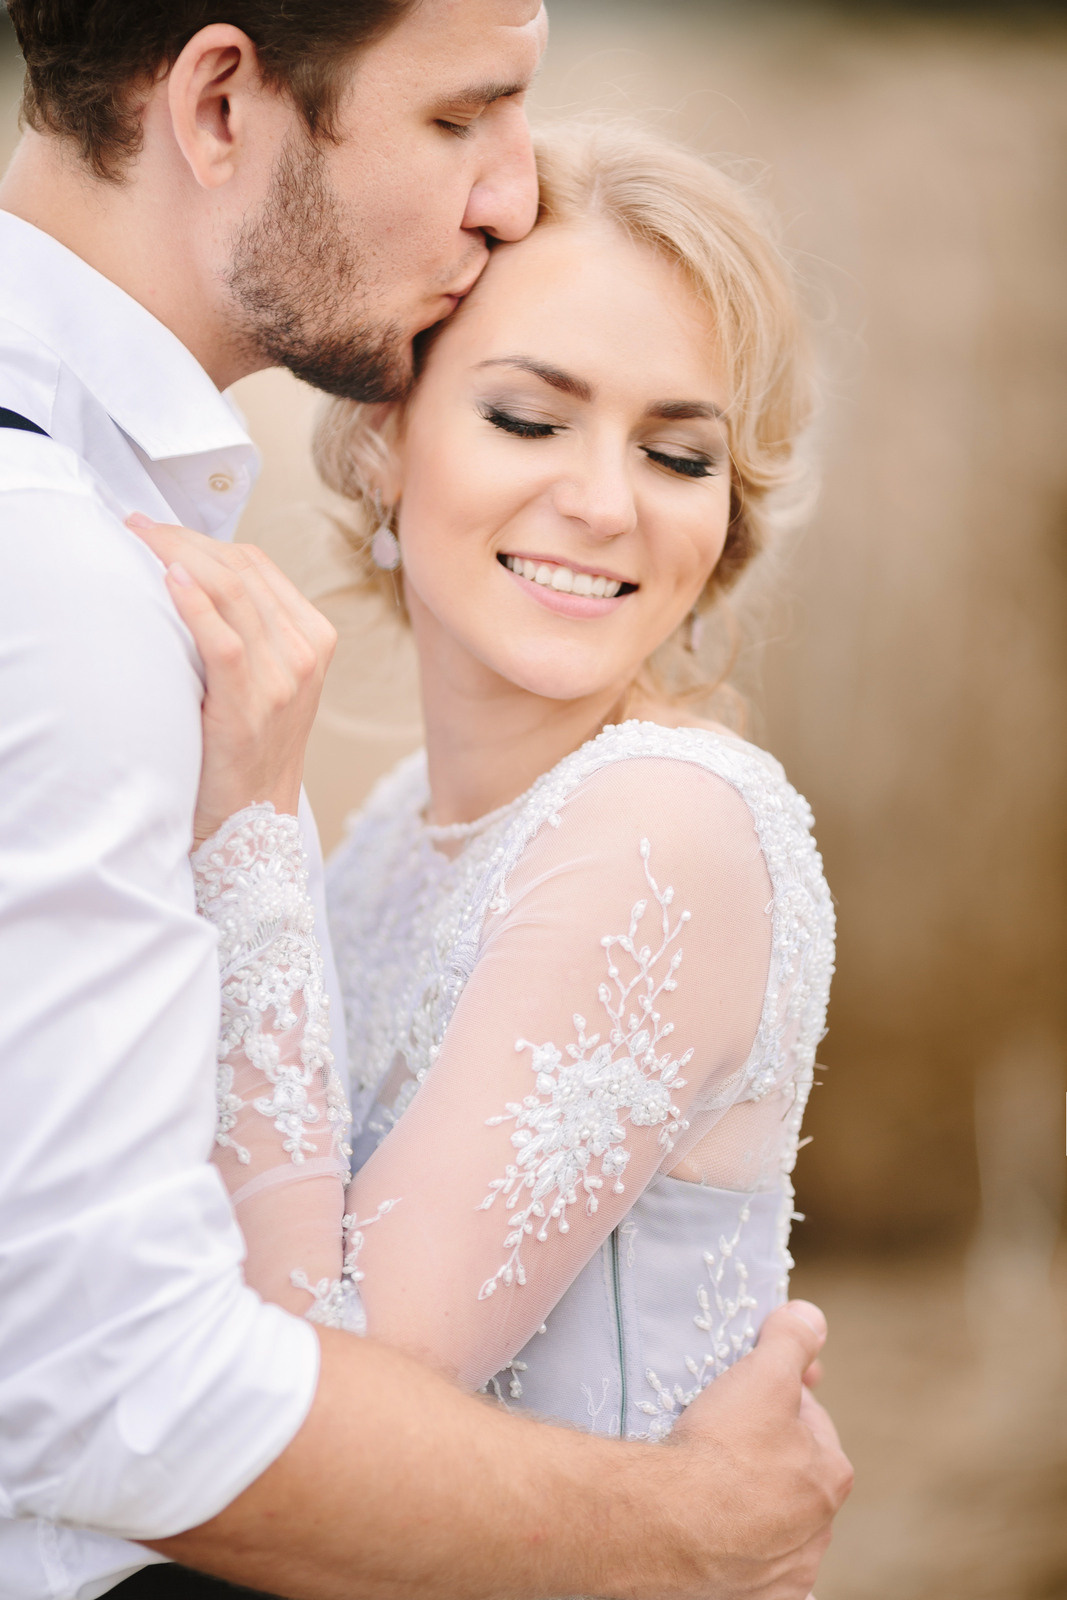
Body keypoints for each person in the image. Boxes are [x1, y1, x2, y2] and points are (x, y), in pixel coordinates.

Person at [0, 0, 851, 1594]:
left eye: (680, 457)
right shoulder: (396, 834)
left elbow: (323, 1374)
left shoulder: (662, 828)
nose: (602, 504)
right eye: (529, 416)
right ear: (390, 437)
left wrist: (250, 830)